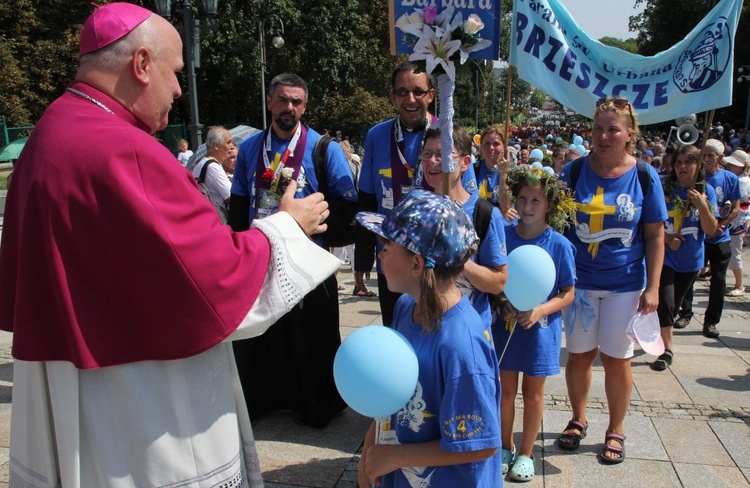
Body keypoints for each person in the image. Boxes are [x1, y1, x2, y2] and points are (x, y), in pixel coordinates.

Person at [0, 4, 340, 486]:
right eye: (176, 72)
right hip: (139, 407)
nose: (180, 89)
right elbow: (215, 279)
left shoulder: (50, 133)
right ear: (141, 64)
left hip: (72, 382)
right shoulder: (127, 151)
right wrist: (289, 224)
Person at [229, 73, 357, 427]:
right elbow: (240, 201)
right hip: (261, 253)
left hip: (308, 261)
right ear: (270, 102)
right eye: (283, 100)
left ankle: (315, 404)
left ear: (305, 105)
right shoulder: (252, 148)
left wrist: (312, 223)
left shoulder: (322, 148)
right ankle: (265, 399)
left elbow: (346, 204)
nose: (289, 108)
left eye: (296, 102)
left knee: (309, 334)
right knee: (265, 332)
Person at [355, 190, 502, 487]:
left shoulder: (461, 344)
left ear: (416, 265)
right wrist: (371, 448)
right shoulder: (406, 306)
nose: (380, 252)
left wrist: (396, 457)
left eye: (387, 244)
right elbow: (390, 391)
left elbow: (483, 442)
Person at [557, 97, 667, 464]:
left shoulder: (645, 176)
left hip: (625, 285)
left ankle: (615, 429)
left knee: (617, 359)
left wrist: (652, 288)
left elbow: (654, 235)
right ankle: (578, 418)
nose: (603, 136)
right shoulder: (572, 173)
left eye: (613, 129)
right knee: (579, 357)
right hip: (579, 284)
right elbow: (553, 221)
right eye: (598, 129)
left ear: (629, 134)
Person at [354, 62, 477, 324]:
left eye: (418, 92)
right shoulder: (377, 136)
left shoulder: (447, 134)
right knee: (396, 329)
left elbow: (467, 199)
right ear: (393, 97)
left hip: (436, 262)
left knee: (436, 331)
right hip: (393, 259)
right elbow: (367, 197)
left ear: (431, 95)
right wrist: (362, 258)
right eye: (402, 92)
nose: (410, 99)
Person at [496, 164, 576, 481]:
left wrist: (540, 310)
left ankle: (526, 452)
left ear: (549, 206)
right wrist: (502, 303)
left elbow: (568, 292)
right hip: (506, 327)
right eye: (523, 199)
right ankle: (504, 446)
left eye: (536, 201)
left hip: (540, 331)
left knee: (533, 394)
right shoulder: (501, 239)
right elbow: (494, 281)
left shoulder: (558, 244)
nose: (527, 207)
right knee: (504, 392)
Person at [420, 125, 508, 328]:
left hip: (469, 329)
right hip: (427, 326)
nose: (433, 161)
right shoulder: (418, 209)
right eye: (427, 154)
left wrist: (459, 259)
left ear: (465, 162)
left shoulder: (485, 214)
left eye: (442, 154)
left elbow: (498, 282)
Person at [653, 145, 718, 371]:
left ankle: (658, 331)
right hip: (665, 257)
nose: (682, 167)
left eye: (687, 162)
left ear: (697, 166)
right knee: (667, 302)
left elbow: (711, 230)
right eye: (678, 162)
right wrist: (668, 238)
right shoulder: (663, 188)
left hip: (691, 261)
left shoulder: (705, 192)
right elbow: (650, 224)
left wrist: (702, 207)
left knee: (675, 303)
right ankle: (666, 350)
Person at [677, 139, 741, 337]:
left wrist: (719, 226)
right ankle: (685, 313)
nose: (706, 160)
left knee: (719, 280)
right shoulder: (696, 177)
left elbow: (736, 208)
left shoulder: (730, 178)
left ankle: (711, 321)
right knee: (689, 275)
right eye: (703, 155)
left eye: (710, 156)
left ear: (720, 158)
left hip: (719, 238)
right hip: (696, 237)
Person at [723, 149, 750, 296]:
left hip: (737, 221)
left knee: (735, 253)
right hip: (735, 221)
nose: (730, 167)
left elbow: (740, 201)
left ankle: (739, 285)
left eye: (733, 165)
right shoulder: (738, 179)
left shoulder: (742, 181)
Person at [192, 126, 236, 214]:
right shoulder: (213, 168)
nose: (231, 146)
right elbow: (233, 197)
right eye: (228, 142)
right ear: (216, 146)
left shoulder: (200, 163)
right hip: (218, 218)